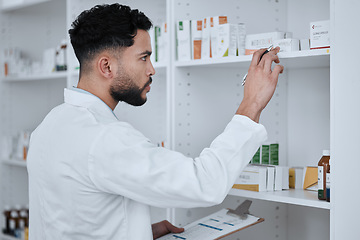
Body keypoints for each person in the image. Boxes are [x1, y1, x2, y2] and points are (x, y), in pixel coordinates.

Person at [27, 3, 283, 240]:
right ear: (106, 67)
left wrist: (137, 232)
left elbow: (69, 220)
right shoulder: (104, 137)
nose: (152, 69)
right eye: (143, 57)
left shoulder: (49, 125)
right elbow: (206, 183)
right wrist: (252, 103)